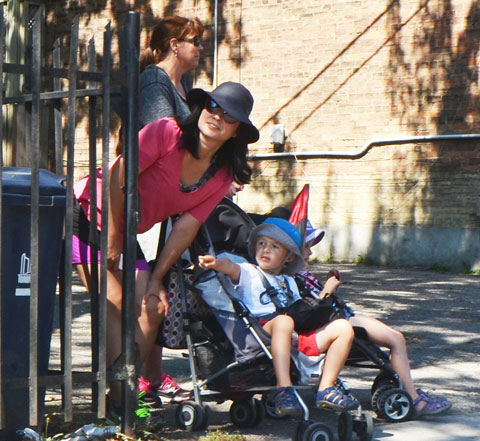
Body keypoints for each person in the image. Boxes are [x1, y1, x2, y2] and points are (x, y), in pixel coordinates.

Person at [72, 81, 260, 410]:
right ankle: (121, 404)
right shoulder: (166, 132)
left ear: (236, 133)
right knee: (116, 303)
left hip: (122, 232)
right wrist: (114, 238)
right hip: (88, 212)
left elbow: (185, 228)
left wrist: (157, 277)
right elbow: (119, 177)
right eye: (212, 107)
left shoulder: (222, 176)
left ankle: (119, 394)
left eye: (228, 117)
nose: (216, 116)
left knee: (154, 307)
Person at [198, 217, 360, 415]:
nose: (265, 250)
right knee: (283, 322)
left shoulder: (289, 281)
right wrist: (216, 263)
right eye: (261, 243)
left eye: (275, 246)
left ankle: (326, 388)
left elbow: (299, 314)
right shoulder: (249, 272)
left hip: (291, 332)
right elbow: (231, 267)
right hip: (260, 330)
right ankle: (284, 388)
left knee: (343, 327)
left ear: (289, 257)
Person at [301, 221, 452, 417]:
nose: (310, 253)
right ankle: (414, 398)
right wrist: (327, 291)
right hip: (330, 320)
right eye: (306, 248)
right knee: (396, 339)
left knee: (396, 337)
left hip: (338, 315)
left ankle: (403, 385)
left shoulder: (300, 274)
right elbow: (310, 311)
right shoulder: (292, 277)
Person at [134, 15, 206, 397]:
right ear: (174, 44)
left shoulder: (184, 84)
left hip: (176, 200)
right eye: (194, 41)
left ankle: (152, 373)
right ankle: (134, 380)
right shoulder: (155, 81)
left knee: (162, 288)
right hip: (151, 199)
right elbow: (159, 137)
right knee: (149, 293)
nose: (200, 48)